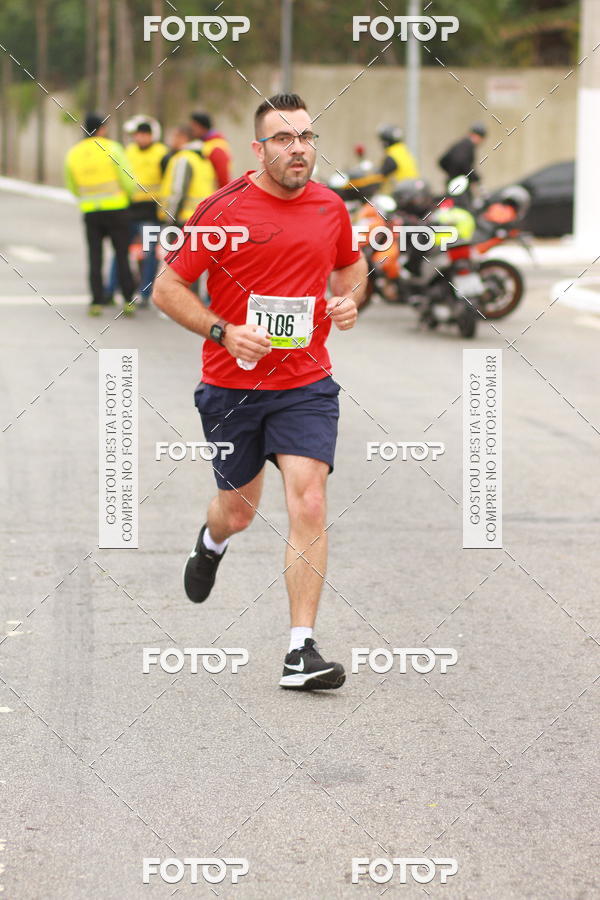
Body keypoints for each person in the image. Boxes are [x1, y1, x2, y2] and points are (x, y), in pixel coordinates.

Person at [153, 92, 368, 691]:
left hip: (306, 384)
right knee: (239, 511)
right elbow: (167, 289)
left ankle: (301, 652)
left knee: (310, 502)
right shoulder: (221, 211)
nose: (298, 148)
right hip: (232, 389)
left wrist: (350, 301)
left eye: (306, 136)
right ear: (259, 148)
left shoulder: (330, 207)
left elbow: (352, 268)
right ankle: (211, 539)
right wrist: (223, 330)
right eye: (283, 138)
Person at [64, 113, 136, 316]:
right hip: (117, 209)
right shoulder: (113, 148)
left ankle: (96, 301)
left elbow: (72, 186)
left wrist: (88, 198)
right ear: (102, 129)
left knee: (95, 256)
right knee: (122, 255)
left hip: (91, 212)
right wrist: (128, 197)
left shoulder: (74, 153)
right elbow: (128, 180)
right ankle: (128, 300)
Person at [106, 120, 168, 308]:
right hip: (130, 210)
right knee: (121, 250)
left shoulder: (162, 154)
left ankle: (145, 293)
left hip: (151, 212)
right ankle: (111, 289)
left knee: (149, 254)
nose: (140, 138)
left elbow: (167, 181)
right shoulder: (128, 152)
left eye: (144, 134)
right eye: (137, 135)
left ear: (150, 136)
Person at [158, 124, 216, 226]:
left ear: (183, 138)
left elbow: (178, 191)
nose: (172, 140)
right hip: (203, 217)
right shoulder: (204, 160)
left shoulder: (183, 159)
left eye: (175, 136)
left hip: (184, 220)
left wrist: (170, 219)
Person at [438, 123, 487, 198]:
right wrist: (472, 177)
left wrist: (451, 173)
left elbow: (442, 161)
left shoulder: (460, 144)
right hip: (461, 187)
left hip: (452, 183)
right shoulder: (468, 146)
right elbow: (461, 162)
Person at [189, 112, 232, 188]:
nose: (191, 130)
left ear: (201, 126)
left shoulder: (216, 147)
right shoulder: (205, 143)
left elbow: (223, 178)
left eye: (193, 126)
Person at [377, 125, 419, 193]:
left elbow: (379, 177)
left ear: (386, 142)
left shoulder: (391, 156)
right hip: (412, 191)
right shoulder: (404, 151)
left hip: (401, 194)